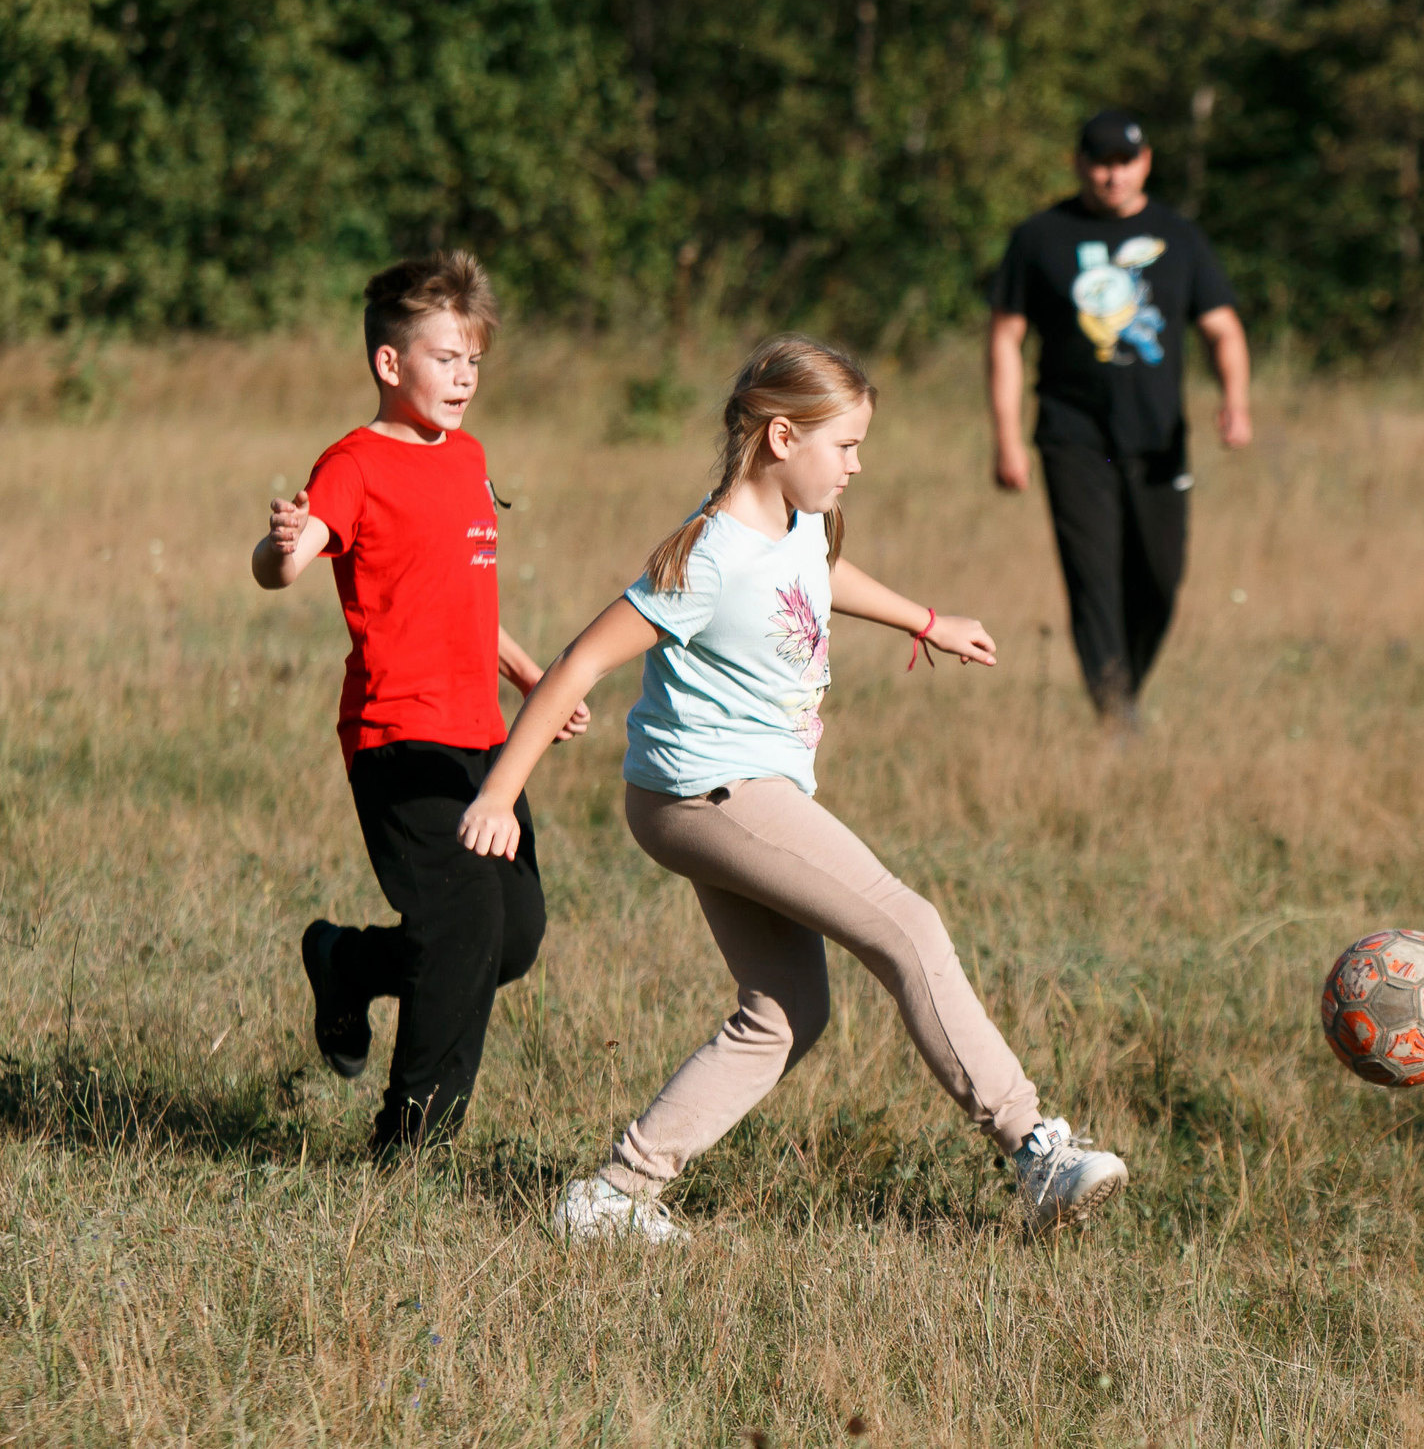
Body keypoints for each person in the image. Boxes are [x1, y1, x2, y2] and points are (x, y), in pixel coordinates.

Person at [456, 336, 1129, 1241]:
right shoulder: (708, 556)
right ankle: (1032, 1147)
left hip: (732, 791)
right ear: (782, 437)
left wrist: (926, 619)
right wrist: (499, 793)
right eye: (844, 445)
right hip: (708, 794)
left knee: (785, 1012)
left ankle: (613, 1194)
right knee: (909, 927)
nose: (856, 465)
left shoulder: (798, 521)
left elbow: (819, 574)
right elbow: (580, 660)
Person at [250, 253, 590, 1157]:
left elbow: (457, 596)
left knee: (511, 937)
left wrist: (531, 678)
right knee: (464, 924)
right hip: (398, 735)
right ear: (390, 362)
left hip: (482, 737)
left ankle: (348, 961)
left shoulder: (468, 456)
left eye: (473, 360)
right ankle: (409, 1146)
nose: (465, 376)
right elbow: (285, 564)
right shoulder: (353, 464)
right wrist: (283, 544)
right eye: (446, 358)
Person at [987, 107, 1252, 726]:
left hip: (1157, 439)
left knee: (1160, 577)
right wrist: (1007, 440)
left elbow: (1222, 328)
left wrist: (1235, 401)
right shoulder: (1040, 237)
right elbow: (1005, 337)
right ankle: (1114, 711)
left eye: (1125, 162)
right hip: (1074, 437)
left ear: (1146, 162)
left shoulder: (1179, 237)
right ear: (1080, 164)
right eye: (1101, 163)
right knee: (1094, 577)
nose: (1113, 176)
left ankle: (1123, 686)